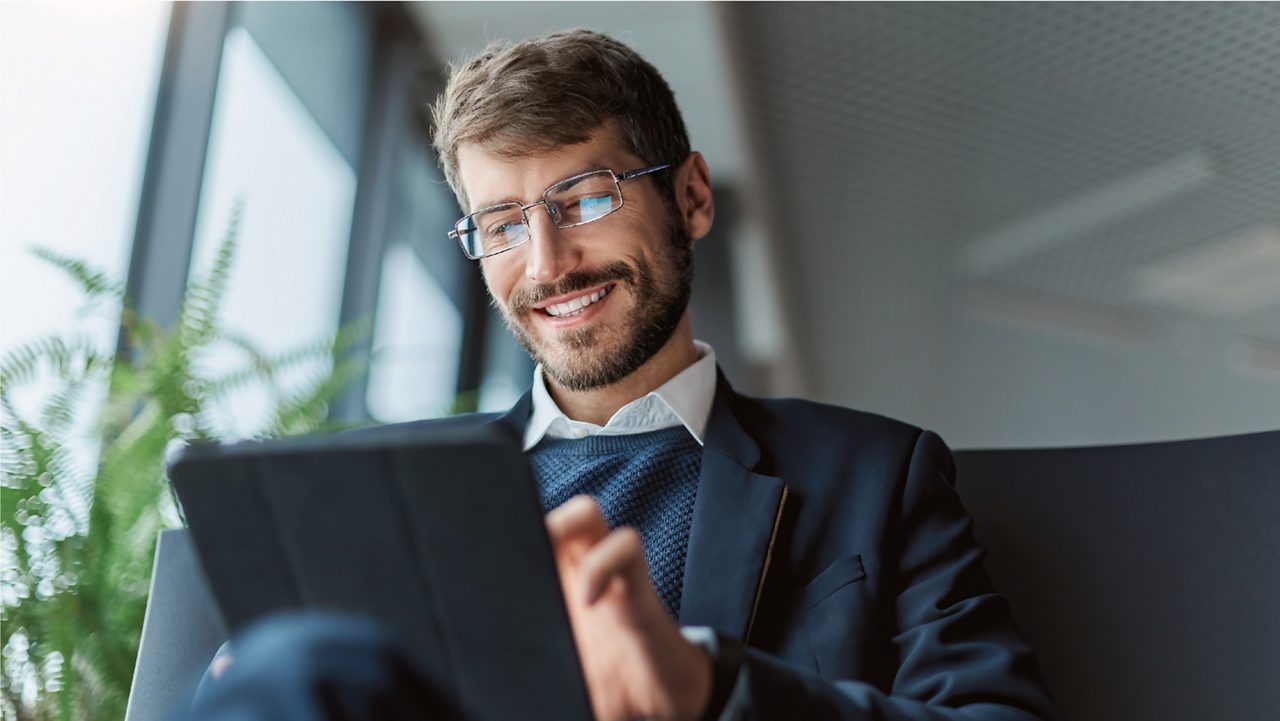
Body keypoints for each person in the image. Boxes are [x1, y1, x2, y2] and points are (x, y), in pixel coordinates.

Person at [190, 29, 1059, 721]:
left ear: (691, 199)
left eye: (585, 199)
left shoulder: (876, 476)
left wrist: (710, 688)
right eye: (500, 224)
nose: (548, 263)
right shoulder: (376, 491)